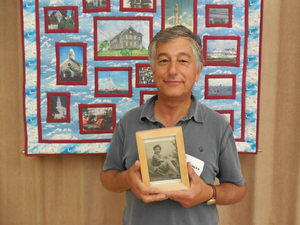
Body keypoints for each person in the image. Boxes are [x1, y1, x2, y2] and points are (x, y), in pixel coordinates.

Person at [100, 25, 247, 225]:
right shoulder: (129, 122)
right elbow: (108, 177)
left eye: (183, 61)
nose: (172, 70)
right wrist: (128, 179)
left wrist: (208, 193)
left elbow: (238, 189)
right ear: (152, 70)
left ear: (197, 71)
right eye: (163, 61)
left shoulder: (218, 125)